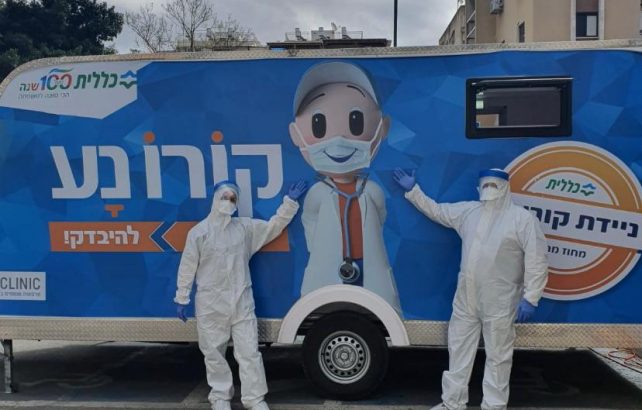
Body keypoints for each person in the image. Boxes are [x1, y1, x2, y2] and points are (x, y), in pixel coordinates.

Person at [393, 168, 548, 410]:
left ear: (505, 187)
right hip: (467, 298)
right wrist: (414, 191)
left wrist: (531, 297)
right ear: (478, 187)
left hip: (500, 302)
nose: (489, 189)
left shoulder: (522, 219)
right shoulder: (469, 212)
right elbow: (438, 211)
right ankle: (452, 403)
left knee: (498, 356)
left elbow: (537, 259)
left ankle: (494, 406)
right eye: (485, 184)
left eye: (494, 184)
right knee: (458, 350)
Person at [174, 179, 307, 410]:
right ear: (215, 199)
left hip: (241, 302)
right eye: (224, 197)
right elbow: (187, 266)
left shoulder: (244, 229)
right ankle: (220, 397)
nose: (228, 202)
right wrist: (182, 297)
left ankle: (255, 399)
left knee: (249, 352)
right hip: (211, 304)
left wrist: (290, 203)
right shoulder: (199, 233)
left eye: (232, 198)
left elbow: (273, 227)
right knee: (213, 352)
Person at [289, 61, 401, 312]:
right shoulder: (318, 193)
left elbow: (379, 218)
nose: (339, 140)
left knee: (375, 309)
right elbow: (310, 223)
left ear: (382, 127)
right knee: (326, 309)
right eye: (319, 125)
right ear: (296, 134)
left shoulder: (371, 190)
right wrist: (323, 250)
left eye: (356, 122)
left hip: (367, 264)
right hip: (328, 267)